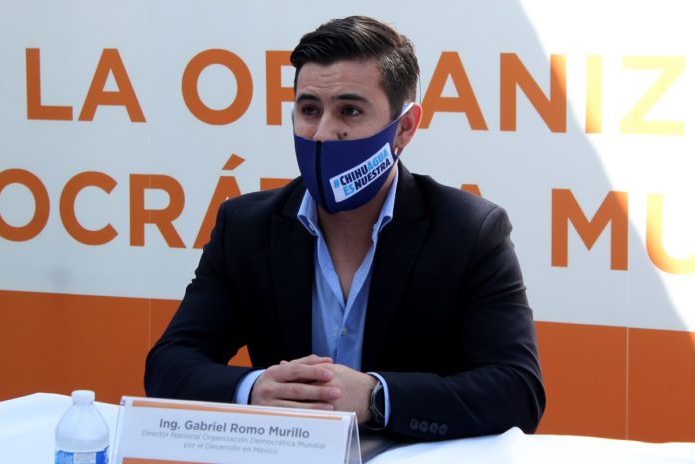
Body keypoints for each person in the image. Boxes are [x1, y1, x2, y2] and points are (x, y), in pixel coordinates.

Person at [145, 15, 545, 441]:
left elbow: (517, 391)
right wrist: (254, 390)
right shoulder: (245, 227)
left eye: (349, 111)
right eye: (309, 110)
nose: (322, 134)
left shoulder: (470, 231)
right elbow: (169, 364)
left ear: (405, 127)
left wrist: (377, 396)